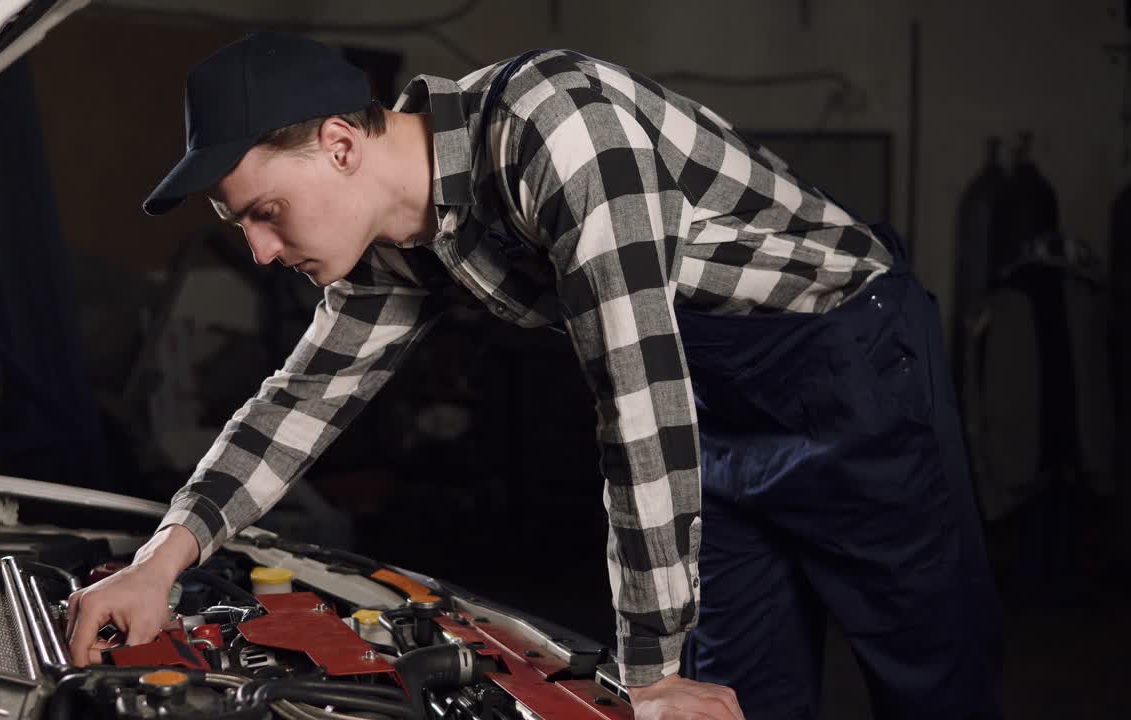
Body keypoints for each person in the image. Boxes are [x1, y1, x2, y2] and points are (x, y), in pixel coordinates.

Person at [66, 32, 1003, 720]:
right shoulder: (392, 243)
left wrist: (648, 670)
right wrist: (162, 560)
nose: (263, 251)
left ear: (343, 146)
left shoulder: (562, 130)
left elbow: (637, 403)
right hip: (706, 406)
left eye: (266, 212)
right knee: (729, 700)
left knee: (928, 676)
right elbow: (302, 400)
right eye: (245, 229)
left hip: (841, 361)